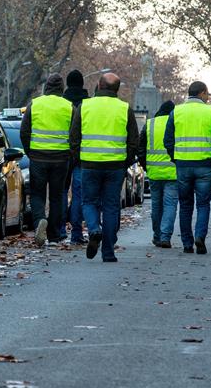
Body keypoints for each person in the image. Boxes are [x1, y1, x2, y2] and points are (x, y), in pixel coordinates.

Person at [69, 73, 139, 263]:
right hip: (115, 166)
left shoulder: (85, 106)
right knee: (111, 207)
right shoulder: (125, 108)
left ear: (99, 86)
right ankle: (108, 252)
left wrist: (79, 159)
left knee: (89, 202)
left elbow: (74, 137)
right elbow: (134, 140)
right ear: (117, 89)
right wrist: (126, 162)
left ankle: (93, 229)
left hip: (90, 165)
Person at [163, 81, 211, 255]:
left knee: (185, 205)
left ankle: (187, 243)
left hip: (183, 165)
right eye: (208, 94)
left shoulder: (177, 111)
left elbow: (168, 140)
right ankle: (200, 236)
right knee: (203, 204)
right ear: (202, 93)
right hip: (205, 165)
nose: (208, 97)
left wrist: (175, 157)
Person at [20, 73, 74, 246]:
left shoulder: (35, 104)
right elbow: (74, 135)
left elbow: (24, 132)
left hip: (38, 157)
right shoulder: (69, 106)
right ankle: (53, 234)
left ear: (46, 87)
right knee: (57, 196)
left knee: (37, 194)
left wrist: (31, 152)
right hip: (61, 158)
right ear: (62, 89)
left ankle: (39, 223)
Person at [138, 100, 178, 248]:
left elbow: (140, 148)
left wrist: (146, 166)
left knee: (156, 205)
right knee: (170, 205)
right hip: (173, 172)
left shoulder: (150, 124)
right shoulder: (176, 122)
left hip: (154, 172)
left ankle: (157, 235)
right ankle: (165, 236)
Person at [61, 69, 88, 244]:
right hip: (80, 156)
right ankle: (76, 234)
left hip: (61, 154)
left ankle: (60, 230)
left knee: (61, 192)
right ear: (82, 84)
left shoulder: (61, 103)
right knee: (79, 194)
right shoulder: (88, 104)